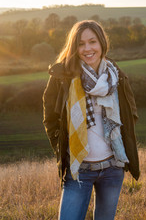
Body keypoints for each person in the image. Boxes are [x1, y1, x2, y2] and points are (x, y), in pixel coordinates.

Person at [43, 20, 140, 220]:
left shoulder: (115, 75)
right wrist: (61, 149)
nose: (87, 48)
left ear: (102, 43)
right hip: (79, 169)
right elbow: (50, 118)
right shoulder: (63, 76)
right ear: (74, 47)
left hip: (112, 168)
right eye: (80, 43)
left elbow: (130, 113)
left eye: (92, 41)